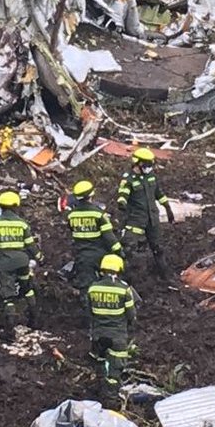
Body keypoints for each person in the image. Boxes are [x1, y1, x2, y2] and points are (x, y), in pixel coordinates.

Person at [0, 191, 42, 338]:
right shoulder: (21, 223)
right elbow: (30, 244)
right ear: (16, 206)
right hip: (22, 261)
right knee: (27, 288)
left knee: (8, 295)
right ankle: (35, 320)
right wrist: (39, 256)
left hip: (5, 263)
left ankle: (10, 329)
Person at [116, 148, 175, 279]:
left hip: (152, 219)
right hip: (136, 219)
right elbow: (122, 194)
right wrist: (122, 203)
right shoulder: (129, 179)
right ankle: (124, 277)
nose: (149, 168)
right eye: (146, 165)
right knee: (128, 247)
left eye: (150, 165)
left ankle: (165, 275)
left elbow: (159, 193)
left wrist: (168, 208)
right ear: (137, 163)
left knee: (158, 248)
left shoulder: (151, 177)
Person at [86, 253, 136, 395]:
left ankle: (97, 387)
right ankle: (112, 395)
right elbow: (131, 315)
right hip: (117, 335)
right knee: (115, 369)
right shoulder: (124, 289)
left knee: (99, 362)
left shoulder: (93, 288)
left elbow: (89, 312)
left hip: (98, 334)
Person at [66, 180, 122, 293]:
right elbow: (109, 237)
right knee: (106, 286)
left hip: (82, 257)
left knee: (86, 288)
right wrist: (119, 251)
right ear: (91, 195)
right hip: (100, 255)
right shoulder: (98, 214)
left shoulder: (71, 215)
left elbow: (73, 233)